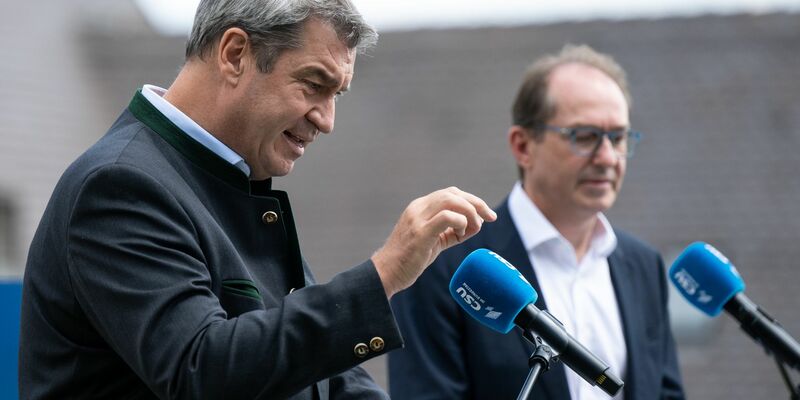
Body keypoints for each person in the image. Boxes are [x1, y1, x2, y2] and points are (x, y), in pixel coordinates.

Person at [18, 1, 496, 399]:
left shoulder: (225, 178)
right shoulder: (119, 184)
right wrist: (385, 273)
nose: (327, 120)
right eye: (314, 84)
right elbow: (201, 371)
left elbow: (324, 379)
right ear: (234, 54)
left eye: (337, 94)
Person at [388, 44, 685, 400]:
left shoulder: (644, 266)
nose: (608, 157)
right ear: (523, 146)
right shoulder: (449, 267)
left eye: (618, 138)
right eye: (585, 136)